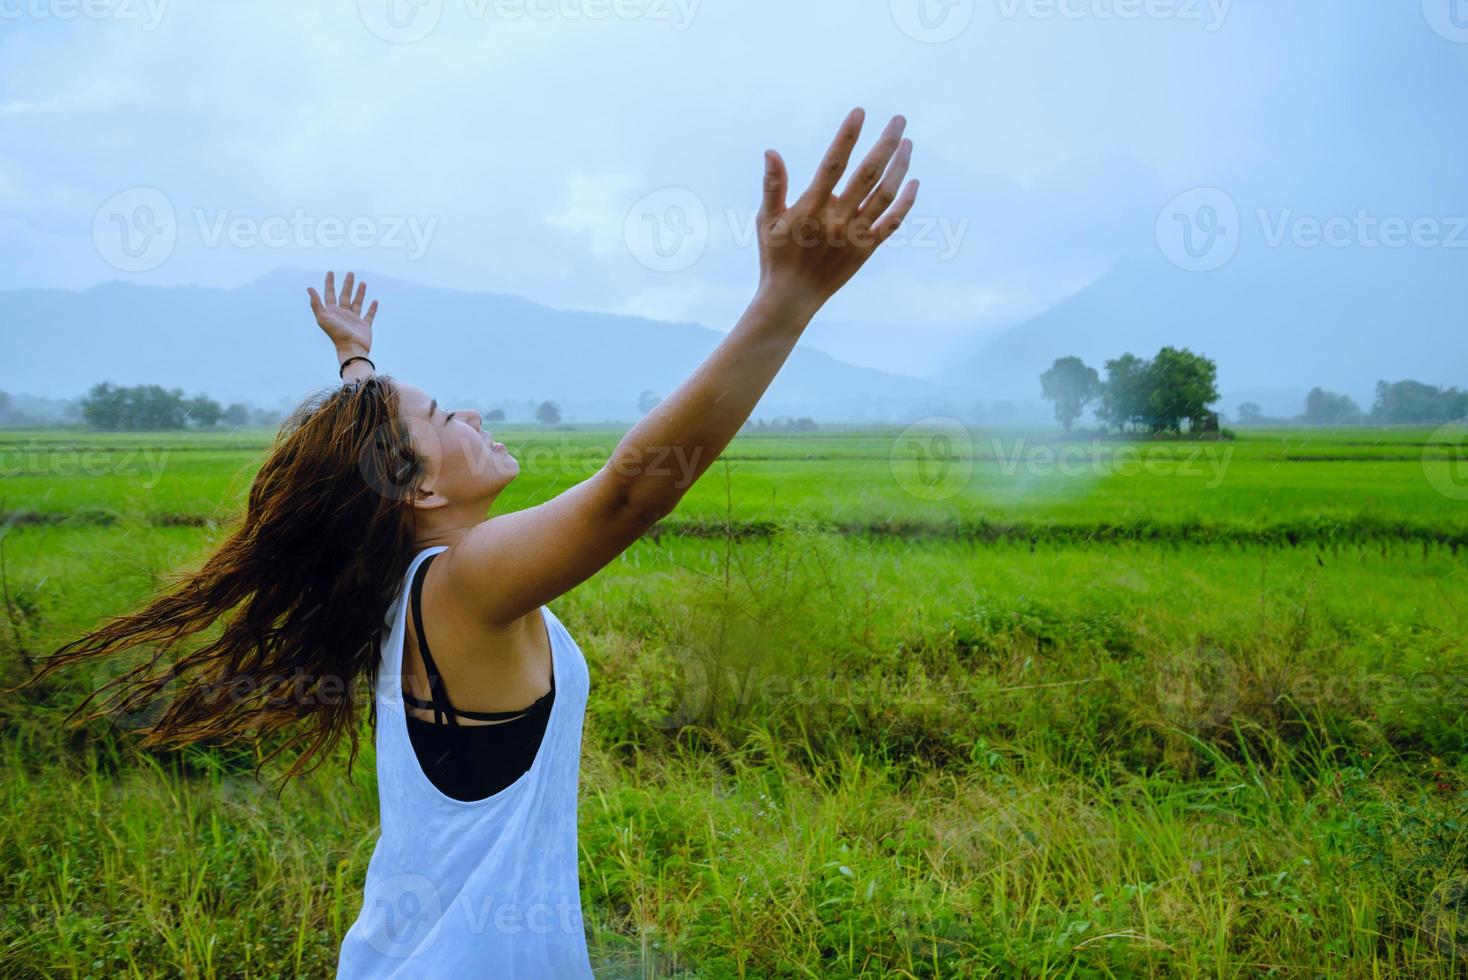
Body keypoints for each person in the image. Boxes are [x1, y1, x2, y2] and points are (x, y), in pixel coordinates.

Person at [25, 106, 917, 976]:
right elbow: (627, 497)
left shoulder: (400, 579)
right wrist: (787, 299)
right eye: (447, 416)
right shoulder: (465, 583)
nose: (474, 413)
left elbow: (376, 452)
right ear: (414, 486)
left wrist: (356, 362)